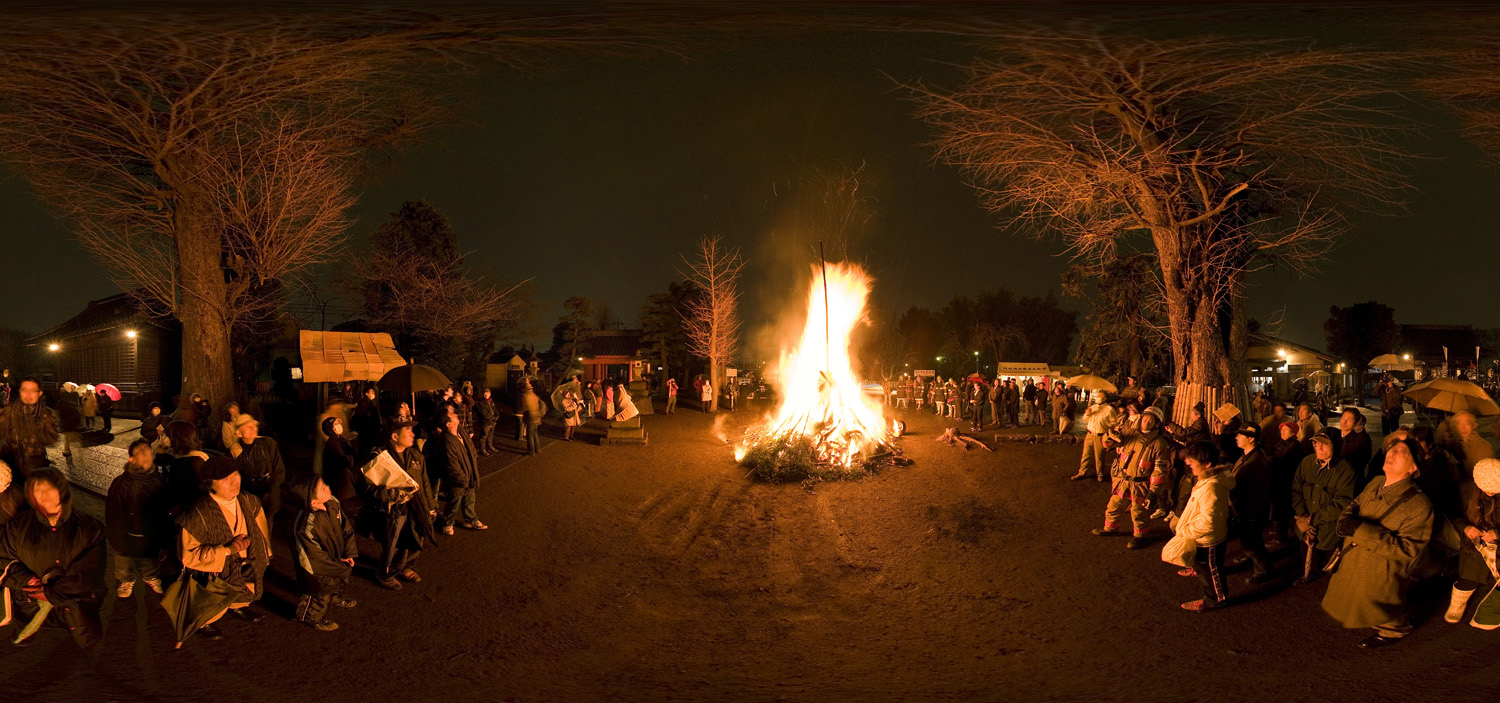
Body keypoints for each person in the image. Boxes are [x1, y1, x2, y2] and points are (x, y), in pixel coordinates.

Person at [1321, 437, 1434, 648]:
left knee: (1379, 603)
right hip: (1356, 559)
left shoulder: (1419, 505)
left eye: (1401, 452)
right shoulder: (1376, 482)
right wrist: (1347, 517)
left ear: (1413, 467)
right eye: (1392, 449)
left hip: (1379, 569)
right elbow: (1356, 503)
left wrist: (1359, 529)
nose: (1391, 453)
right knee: (1356, 596)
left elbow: (1408, 550)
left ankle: (1395, 630)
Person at [164, 457, 272, 646]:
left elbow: (259, 517)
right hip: (216, 569)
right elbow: (188, 556)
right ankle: (205, 622)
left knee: (247, 585)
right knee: (211, 598)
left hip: (247, 560)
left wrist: (266, 548)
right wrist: (227, 549)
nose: (234, 482)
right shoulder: (198, 516)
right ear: (209, 485)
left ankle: (238, 605)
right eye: (224, 479)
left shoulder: (248, 499)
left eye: (235, 475)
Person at [0, 468, 105, 648]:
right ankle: (27, 633)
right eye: (37, 490)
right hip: (29, 599)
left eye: (49, 488)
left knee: (82, 632)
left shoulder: (90, 529)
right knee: (27, 623)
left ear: (61, 490)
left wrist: (50, 593)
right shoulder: (18, 526)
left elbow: (89, 574)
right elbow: (3, 557)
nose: (44, 495)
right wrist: (28, 580)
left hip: (72, 604)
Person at [364, 419, 433, 590]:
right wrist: (393, 495)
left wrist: (431, 505)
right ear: (395, 436)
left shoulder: (415, 455)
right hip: (395, 509)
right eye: (408, 431)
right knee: (393, 543)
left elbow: (424, 481)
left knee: (417, 537)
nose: (412, 434)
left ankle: (406, 567)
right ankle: (384, 572)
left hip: (417, 506)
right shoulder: (380, 458)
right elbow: (368, 487)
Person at [1095, 407, 1172, 549]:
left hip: (1141, 485)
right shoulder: (1130, 433)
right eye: (1144, 418)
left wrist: (1152, 493)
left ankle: (1141, 536)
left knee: (1139, 512)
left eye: (1151, 419)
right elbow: (1106, 444)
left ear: (1156, 424)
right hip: (1123, 480)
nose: (1146, 422)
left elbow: (1159, 471)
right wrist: (1109, 434)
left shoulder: (1159, 444)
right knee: (1114, 506)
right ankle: (1110, 528)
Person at [1170, 441, 1234, 611]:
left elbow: (1209, 521)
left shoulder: (1211, 487)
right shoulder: (1208, 479)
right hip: (1205, 537)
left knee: (1211, 572)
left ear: (1207, 464)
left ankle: (1215, 599)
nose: (1188, 463)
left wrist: (1185, 530)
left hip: (1208, 540)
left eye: (1192, 462)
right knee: (1207, 568)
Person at [290, 476, 358, 632]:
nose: (327, 487)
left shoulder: (332, 503)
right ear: (312, 502)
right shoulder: (306, 524)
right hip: (318, 568)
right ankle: (310, 615)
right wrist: (340, 567)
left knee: (336, 582)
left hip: (336, 558)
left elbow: (346, 529)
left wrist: (349, 552)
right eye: (321, 488)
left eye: (324, 484)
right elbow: (314, 558)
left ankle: (333, 596)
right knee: (318, 591)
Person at [1291, 434, 1356, 585]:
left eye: (1324, 445)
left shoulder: (1345, 470)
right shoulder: (1307, 463)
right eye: (1315, 444)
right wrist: (1302, 517)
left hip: (1329, 528)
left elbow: (1342, 503)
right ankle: (1309, 574)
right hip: (1305, 524)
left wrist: (1311, 521)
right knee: (1307, 553)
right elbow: (1296, 489)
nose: (1318, 448)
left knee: (1333, 564)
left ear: (1335, 447)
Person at [106, 439, 167, 598]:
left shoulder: (158, 479)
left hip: (150, 534)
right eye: (140, 451)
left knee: (150, 558)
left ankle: (151, 576)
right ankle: (125, 580)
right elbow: (114, 515)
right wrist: (117, 540)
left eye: (147, 449)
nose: (146, 453)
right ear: (131, 459)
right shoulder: (121, 484)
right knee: (123, 561)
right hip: (127, 534)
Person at [1227, 426, 1274, 583]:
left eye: (1241, 435)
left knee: (1252, 541)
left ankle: (1263, 570)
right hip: (1245, 508)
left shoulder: (1257, 461)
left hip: (1251, 510)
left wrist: (1248, 512)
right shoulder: (1248, 455)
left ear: (1251, 438)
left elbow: (1257, 493)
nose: (1237, 437)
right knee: (1249, 538)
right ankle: (1251, 558)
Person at [428, 412, 485, 535]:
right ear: (449, 424)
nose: (455, 414)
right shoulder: (447, 441)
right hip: (457, 480)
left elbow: (470, 448)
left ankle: (470, 520)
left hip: (467, 476)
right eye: (453, 416)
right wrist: (463, 479)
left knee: (470, 500)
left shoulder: (459, 433)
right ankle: (447, 524)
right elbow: (451, 465)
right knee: (454, 503)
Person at [230, 413, 286, 523]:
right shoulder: (235, 451)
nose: (252, 428)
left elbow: (279, 471)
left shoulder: (268, 444)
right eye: (247, 426)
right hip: (248, 500)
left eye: (254, 425)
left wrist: (270, 493)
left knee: (266, 524)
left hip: (269, 496)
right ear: (239, 433)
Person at [0, 377, 59, 477]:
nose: (28, 395)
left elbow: (52, 438)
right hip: (10, 464)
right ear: (20, 391)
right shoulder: (8, 411)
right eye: (24, 390)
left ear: (40, 393)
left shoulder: (46, 413)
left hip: (36, 465)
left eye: (32, 391)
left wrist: (33, 431)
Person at [1268, 421, 1305, 546]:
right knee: (1281, 509)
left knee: (1281, 509)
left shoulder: (1294, 446)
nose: (1282, 432)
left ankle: (1282, 537)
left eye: (1285, 430)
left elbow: (1283, 462)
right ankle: (1285, 531)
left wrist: (1272, 461)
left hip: (1285, 483)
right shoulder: (1282, 444)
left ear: (1293, 432)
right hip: (1279, 481)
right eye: (1281, 429)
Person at [1072, 391, 1118, 482]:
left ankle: (1099, 474)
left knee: (1099, 456)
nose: (1097, 397)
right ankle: (1082, 472)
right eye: (1097, 396)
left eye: (1099, 396)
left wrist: (1105, 425)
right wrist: (1088, 413)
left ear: (1105, 398)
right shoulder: (1093, 407)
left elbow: (1114, 422)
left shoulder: (1109, 409)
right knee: (1086, 455)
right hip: (1089, 434)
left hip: (1100, 435)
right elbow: (1086, 419)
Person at [321, 417, 359, 506]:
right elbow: (344, 461)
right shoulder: (332, 444)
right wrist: (351, 458)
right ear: (330, 428)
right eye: (336, 424)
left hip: (344, 481)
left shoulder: (341, 440)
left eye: (339, 424)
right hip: (338, 482)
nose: (339, 426)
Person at [1447, 412, 1494, 476]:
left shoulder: (1483, 447)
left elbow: (1487, 476)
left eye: (1467, 423)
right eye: (1459, 423)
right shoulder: (1454, 442)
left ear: (1474, 425)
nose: (1463, 427)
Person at [57, 381, 84, 458]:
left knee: (70, 436)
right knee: (70, 436)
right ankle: (69, 449)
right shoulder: (68, 399)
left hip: (69, 422)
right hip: (69, 421)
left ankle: (69, 449)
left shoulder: (71, 397)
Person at [520, 380, 547, 456]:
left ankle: (531, 451)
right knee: (535, 434)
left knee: (530, 436)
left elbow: (524, 408)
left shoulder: (527, 397)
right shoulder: (534, 396)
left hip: (531, 418)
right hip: (537, 418)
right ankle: (537, 449)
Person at [475, 387, 498, 456]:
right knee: (483, 436)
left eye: (487, 392)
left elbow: (495, 410)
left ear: (490, 394)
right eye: (484, 392)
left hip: (492, 422)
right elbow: (484, 414)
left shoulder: (491, 402)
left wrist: (497, 416)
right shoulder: (481, 403)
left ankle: (490, 446)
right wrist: (493, 418)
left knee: (490, 435)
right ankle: (482, 449)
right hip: (486, 422)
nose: (485, 394)